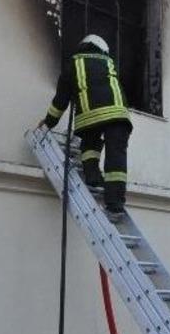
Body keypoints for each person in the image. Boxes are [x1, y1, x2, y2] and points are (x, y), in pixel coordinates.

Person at [38, 34, 132, 217]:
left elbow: (60, 101)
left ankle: (93, 177)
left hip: (90, 117)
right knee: (116, 159)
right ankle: (115, 205)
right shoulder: (109, 63)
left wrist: (48, 123)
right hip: (119, 116)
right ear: (102, 50)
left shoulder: (73, 64)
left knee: (90, 145)